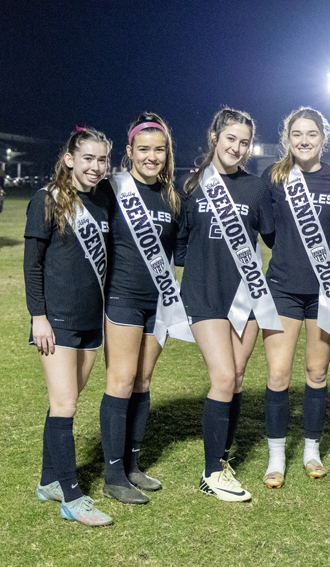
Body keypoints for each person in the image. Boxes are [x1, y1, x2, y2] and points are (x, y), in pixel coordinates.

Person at [179, 108, 279, 502]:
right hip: (204, 295)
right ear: (214, 137)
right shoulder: (191, 185)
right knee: (222, 377)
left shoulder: (256, 189)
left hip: (247, 298)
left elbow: (272, 238)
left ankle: (221, 458)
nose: (236, 147)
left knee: (236, 379)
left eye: (244, 142)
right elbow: (180, 245)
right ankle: (210, 474)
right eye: (230, 139)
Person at [259, 107, 330, 488]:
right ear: (287, 138)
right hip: (282, 288)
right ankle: (277, 455)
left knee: (317, 373)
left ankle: (311, 450)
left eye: (311, 133)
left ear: (323, 138)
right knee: (278, 375)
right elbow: (268, 232)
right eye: (296, 134)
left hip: (325, 292)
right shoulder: (275, 177)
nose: (304, 140)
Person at [25, 128, 113, 526]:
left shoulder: (104, 201)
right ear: (70, 159)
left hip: (91, 322)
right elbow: (32, 265)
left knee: (66, 401)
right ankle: (72, 497)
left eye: (102, 160)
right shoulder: (47, 200)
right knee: (66, 405)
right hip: (56, 322)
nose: (95, 167)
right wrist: (38, 317)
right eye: (88, 159)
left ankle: (49, 482)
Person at [100, 112, 189, 505]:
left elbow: (180, 251)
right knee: (120, 381)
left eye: (159, 150)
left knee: (143, 382)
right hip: (122, 298)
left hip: (160, 303)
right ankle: (113, 475)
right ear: (130, 152)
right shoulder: (112, 189)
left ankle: (133, 466)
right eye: (144, 150)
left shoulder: (171, 196)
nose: (152, 157)